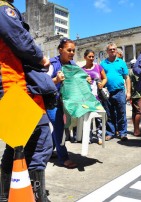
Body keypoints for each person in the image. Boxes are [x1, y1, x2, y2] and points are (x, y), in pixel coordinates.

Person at [0, 0, 53, 201]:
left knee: (17, 141)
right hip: (14, 82)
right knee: (40, 137)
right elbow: (20, 38)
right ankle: (36, 195)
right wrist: (41, 58)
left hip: (13, 84)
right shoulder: (3, 9)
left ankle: (7, 194)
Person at [46, 38, 78, 168]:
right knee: (59, 126)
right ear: (60, 50)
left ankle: (48, 152)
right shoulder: (52, 64)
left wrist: (86, 79)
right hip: (51, 101)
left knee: (60, 128)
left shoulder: (73, 65)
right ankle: (63, 158)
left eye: (73, 51)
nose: (71, 53)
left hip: (64, 102)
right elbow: (43, 83)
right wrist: (56, 80)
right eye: (68, 50)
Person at [100, 42, 131, 141]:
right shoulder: (103, 64)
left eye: (114, 49)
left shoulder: (121, 63)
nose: (112, 51)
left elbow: (127, 78)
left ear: (116, 50)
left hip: (120, 92)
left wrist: (128, 92)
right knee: (109, 114)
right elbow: (100, 78)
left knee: (121, 113)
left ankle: (123, 133)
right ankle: (110, 132)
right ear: (107, 51)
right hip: (107, 93)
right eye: (110, 49)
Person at [82, 49, 108, 144]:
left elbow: (105, 78)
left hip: (98, 98)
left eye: (93, 56)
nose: (92, 58)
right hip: (87, 99)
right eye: (89, 56)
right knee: (87, 118)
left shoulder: (98, 67)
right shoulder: (82, 70)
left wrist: (102, 83)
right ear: (85, 57)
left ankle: (99, 136)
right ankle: (87, 137)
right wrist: (85, 81)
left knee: (99, 118)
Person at [129, 58, 141, 137]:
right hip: (137, 94)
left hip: (133, 94)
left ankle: (135, 129)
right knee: (138, 112)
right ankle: (137, 130)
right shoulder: (135, 72)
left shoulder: (130, 71)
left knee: (134, 112)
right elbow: (139, 80)